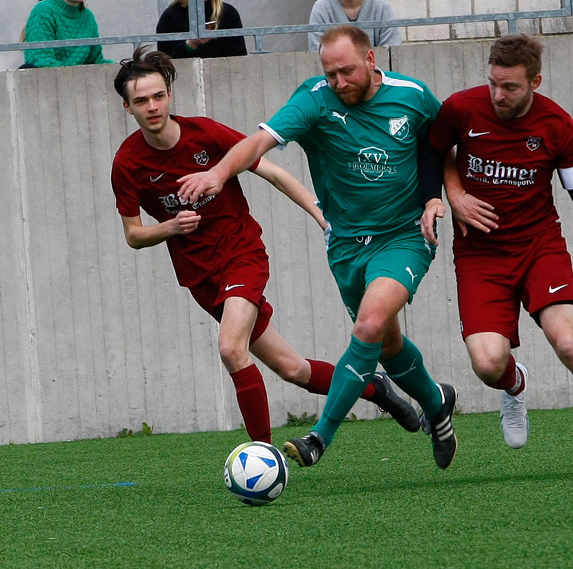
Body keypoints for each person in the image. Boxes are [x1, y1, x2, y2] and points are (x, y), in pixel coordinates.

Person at [176, 25, 457, 470]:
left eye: (346, 71)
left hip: (404, 236)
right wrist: (220, 174)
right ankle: (437, 402)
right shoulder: (313, 100)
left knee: (367, 326)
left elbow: (441, 144)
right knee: (386, 343)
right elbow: (258, 143)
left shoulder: (413, 94)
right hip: (346, 244)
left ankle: (319, 436)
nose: (339, 82)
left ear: (370, 60)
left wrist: (438, 196)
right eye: (330, 74)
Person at [110, 47, 420, 445]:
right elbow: (133, 235)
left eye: (158, 96)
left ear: (169, 95)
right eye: (141, 101)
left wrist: (321, 214)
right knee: (293, 369)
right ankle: (375, 388)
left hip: (241, 255)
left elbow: (273, 172)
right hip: (201, 277)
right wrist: (170, 227)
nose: (152, 106)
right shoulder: (128, 163)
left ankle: (263, 456)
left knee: (230, 349)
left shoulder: (205, 133)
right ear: (127, 108)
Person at [419, 33, 573, 477]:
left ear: (535, 81)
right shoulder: (462, 108)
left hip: (540, 247)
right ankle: (515, 385)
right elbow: (432, 148)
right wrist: (443, 196)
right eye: (493, 84)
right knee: (486, 364)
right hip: (479, 254)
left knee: (570, 344)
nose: (498, 95)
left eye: (511, 87)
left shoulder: (558, 126)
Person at [21, 0, 114, 68]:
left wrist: (124, 66)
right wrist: (73, 74)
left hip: (82, 79)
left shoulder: (88, 16)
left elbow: (95, 60)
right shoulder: (43, 10)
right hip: (49, 79)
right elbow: (40, 59)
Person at [156, 0, 248, 59]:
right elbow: (165, 61)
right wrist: (190, 44)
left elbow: (239, 57)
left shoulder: (229, 13)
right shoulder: (170, 16)